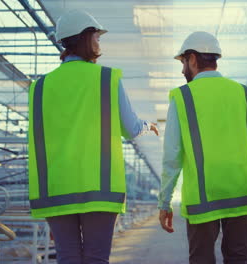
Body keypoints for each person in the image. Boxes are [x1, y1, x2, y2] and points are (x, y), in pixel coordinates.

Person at [28, 10, 158, 264]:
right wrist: (148, 125)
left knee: (67, 257)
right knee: (96, 258)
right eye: (97, 37)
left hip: (56, 189)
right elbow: (130, 127)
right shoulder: (106, 78)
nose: (100, 43)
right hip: (99, 188)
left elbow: (38, 141)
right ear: (85, 39)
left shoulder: (40, 87)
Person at [158, 31, 247, 264]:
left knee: (201, 258)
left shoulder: (182, 97)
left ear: (192, 59)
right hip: (243, 191)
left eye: (183, 62)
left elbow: (172, 155)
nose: (182, 70)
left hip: (203, 196)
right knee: (241, 257)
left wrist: (165, 202)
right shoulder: (245, 94)